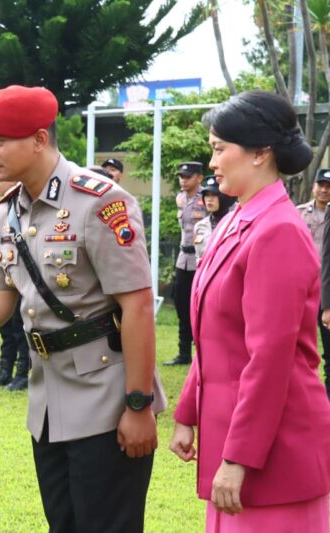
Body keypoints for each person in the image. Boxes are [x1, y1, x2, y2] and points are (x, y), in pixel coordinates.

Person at [0, 85, 165, 533]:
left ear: (39, 140)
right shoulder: (8, 213)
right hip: (48, 398)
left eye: (0, 140)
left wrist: (138, 405)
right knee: (63, 523)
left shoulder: (100, 201)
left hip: (106, 393)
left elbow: (137, 305)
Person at [170, 89, 330, 531]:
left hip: (275, 446)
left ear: (261, 152)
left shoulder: (277, 230)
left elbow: (271, 359)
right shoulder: (238, 220)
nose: (213, 161)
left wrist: (239, 457)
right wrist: (187, 413)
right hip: (238, 431)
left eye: (221, 149)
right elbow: (212, 335)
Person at [0, 177, 31, 391]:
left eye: (0, 180)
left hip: (23, 281)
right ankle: (5, 371)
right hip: (4, 280)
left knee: (20, 330)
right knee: (5, 330)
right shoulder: (0, 210)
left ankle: (22, 374)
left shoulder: (27, 207)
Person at [165, 161, 207, 366]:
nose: (183, 180)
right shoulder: (180, 198)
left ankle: (203, 353)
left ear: (199, 177)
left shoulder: (208, 198)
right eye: (181, 176)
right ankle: (183, 353)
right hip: (183, 259)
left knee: (203, 307)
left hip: (202, 259)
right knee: (181, 305)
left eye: (188, 176)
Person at [300, 169, 330, 397]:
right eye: (321, 185)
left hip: (327, 290)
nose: (324, 190)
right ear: (314, 187)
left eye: (328, 186)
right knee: (301, 347)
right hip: (304, 288)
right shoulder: (299, 214)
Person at [193, 175, 236, 262]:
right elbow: (198, 258)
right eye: (206, 195)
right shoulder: (199, 226)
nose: (209, 200)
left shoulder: (234, 224)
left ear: (223, 197)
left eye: (214, 195)